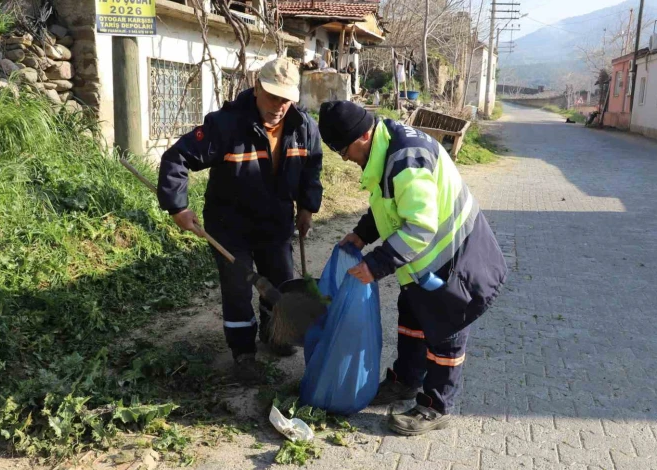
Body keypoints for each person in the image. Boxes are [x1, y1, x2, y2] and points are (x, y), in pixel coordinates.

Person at [317, 101, 507, 435]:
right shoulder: (385, 146)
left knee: (446, 330)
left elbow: (420, 227)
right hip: (425, 262)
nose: (344, 159)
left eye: (343, 150)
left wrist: (377, 264)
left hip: (454, 260)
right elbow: (390, 202)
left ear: (363, 135)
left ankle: (436, 405)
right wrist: (363, 235)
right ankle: (405, 379)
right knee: (412, 314)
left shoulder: (406, 159)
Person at [157, 58, 323, 381]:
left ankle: (275, 333)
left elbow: (311, 168)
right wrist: (178, 208)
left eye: (286, 99)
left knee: (280, 280)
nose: (279, 106)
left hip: (275, 221)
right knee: (237, 287)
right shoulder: (226, 125)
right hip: (229, 224)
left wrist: (307, 207)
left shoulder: (303, 127)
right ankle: (244, 353)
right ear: (257, 88)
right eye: (272, 96)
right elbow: (177, 157)